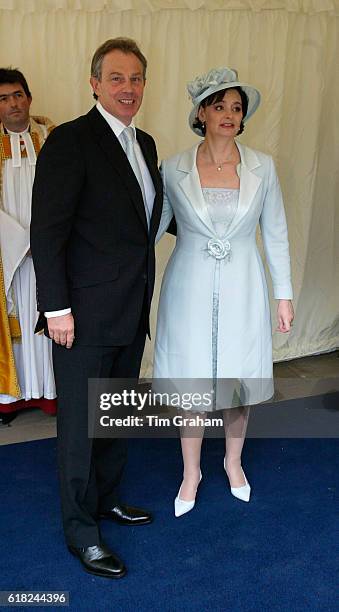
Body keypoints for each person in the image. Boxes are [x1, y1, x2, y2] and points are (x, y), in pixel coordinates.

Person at [30, 38, 163, 578]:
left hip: (130, 311)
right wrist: (56, 308)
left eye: (135, 79)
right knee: (80, 429)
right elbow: (48, 231)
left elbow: (141, 222)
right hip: (81, 317)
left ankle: (105, 500)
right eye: (116, 78)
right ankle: (81, 532)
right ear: (94, 83)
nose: (127, 88)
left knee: (115, 415)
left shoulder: (146, 142)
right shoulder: (71, 140)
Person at [153, 67, 294, 516]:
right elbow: (150, 230)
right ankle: (190, 471)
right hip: (188, 285)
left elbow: (275, 233)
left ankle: (234, 463)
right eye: (219, 106)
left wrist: (283, 295)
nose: (229, 114)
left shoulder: (262, 166)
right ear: (201, 113)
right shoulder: (173, 167)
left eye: (236, 107)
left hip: (243, 284)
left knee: (238, 377)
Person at [0, 68, 56, 416]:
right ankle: (11, 398)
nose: (13, 104)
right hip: (8, 255)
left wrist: (48, 238)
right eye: (3, 99)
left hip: (52, 251)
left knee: (50, 314)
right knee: (16, 317)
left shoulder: (53, 136)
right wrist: (22, 240)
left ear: (29, 97)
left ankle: (49, 392)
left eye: (18, 95)